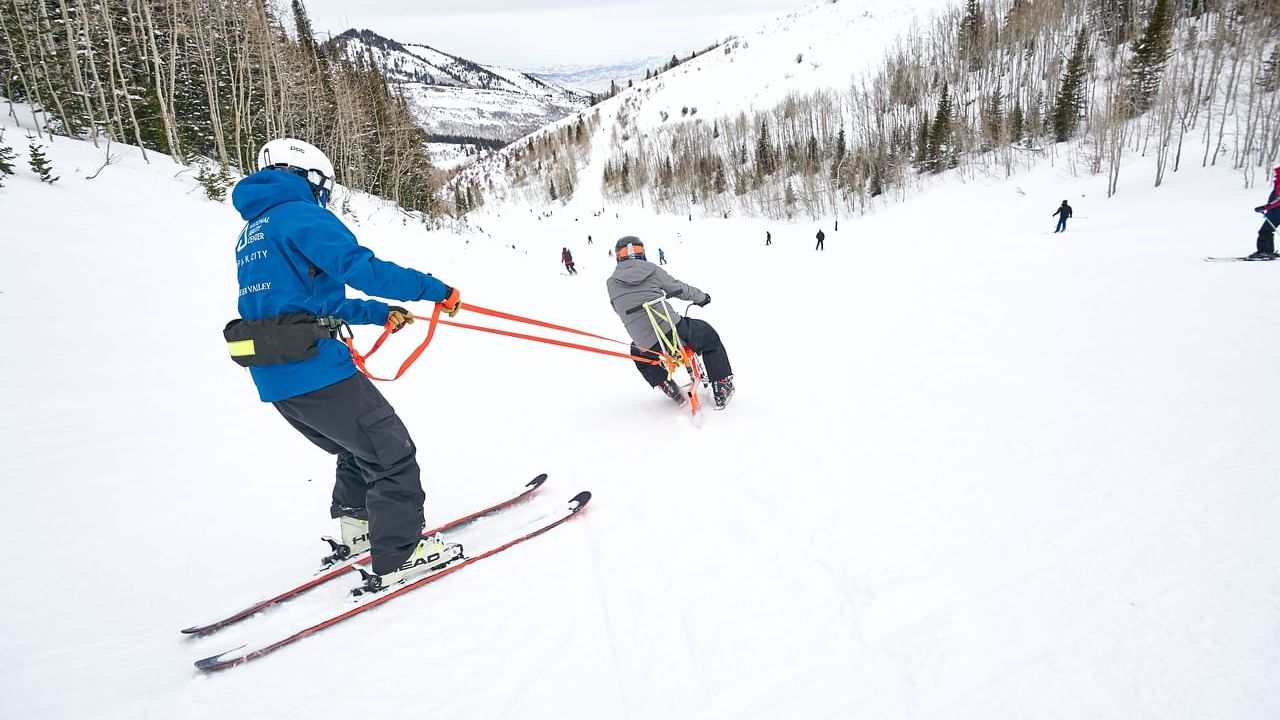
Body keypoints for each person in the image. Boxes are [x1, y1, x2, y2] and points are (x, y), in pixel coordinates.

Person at [226, 138, 462, 594]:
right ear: (309, 177)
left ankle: (357, 532)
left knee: (357, 448)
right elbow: (362, 268)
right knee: (390, 452)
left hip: (276, 375)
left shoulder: (255, 229)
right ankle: (399, 555)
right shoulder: (302, 215)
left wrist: (379, 314)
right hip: (315, 367)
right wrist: (435, 289)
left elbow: (309, 303)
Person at [606, 237, 735, 409]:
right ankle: (721, 384)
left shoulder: (611, 283)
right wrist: (702, 297)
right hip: (672, 331)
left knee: (636, 353)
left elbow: (618, 309)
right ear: (641, 253)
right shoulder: (651, 270)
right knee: (707, 335)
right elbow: (679, 288)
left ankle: (667, 385)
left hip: (647, 345)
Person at [1248, 165, 1280, 259]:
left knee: (1264, 231)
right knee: (1268, 231)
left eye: (1276, 172)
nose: (1274, 175)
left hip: (1277, 213)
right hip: (1275, 212)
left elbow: (1278, 199)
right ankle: (1268, 251)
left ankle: (1264, 252)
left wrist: (1265, 207)